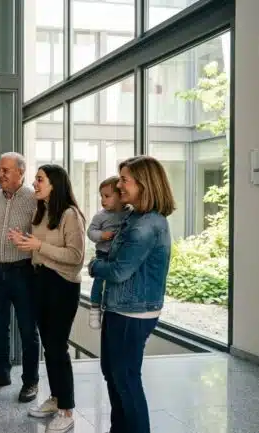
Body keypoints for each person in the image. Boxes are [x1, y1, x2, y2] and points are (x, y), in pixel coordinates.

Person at [88, 155, 175, 433]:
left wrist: (93, 265)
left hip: (132, 312)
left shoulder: (145, 225)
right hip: (119, 308)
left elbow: (117, 272)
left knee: (125, 379)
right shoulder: (133, 217)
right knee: (113, 376)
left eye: (124, 180)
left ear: (143, 184)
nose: (119, 185)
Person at [8, 164, 85, 432]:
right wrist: (25, 243)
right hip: (39, 281)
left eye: (40, 180)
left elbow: (75, 257)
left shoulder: (70, 215)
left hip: (62, 285)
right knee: (49, 348)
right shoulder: (41, 212)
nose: (35, 184)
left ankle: (67, 409)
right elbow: (40, 250)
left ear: (55, 183)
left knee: (57, 347)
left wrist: (38, 246)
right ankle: (55, 399)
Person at [0, 152, 40, 403]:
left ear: (21, 173)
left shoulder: (34, 201)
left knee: (27, 330)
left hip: (24, 273)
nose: (0, 174)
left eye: (6, 170)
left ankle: (31, 381)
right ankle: (1, 373)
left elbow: (42, 236)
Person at [87, 176, 131, 329]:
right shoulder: (100, 216)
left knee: (115, 284)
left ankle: (111, 308)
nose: (103, 200)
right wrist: (102, 235)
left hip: (120, 257)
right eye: (101, 196)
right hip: (103, 256)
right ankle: (94, 308)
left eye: (107, 196)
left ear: (120, 196)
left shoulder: (130, 213)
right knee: (99, 282)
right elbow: (90, 232)